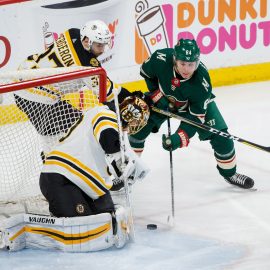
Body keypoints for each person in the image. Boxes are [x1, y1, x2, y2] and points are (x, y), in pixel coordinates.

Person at [0, 96, 150, 252]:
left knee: (105, 220)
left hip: (88, 185)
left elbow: (106, 161)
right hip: (61, 177)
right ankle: (20, 229)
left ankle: (61, 211)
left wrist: (120, 176)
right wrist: (125, 159)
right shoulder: (104, 114)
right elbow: (109, 141)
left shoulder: (112, 124)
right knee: (80, 231)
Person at [129, 38, 254, 189]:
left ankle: (230, 174)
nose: (186, 69)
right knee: (137, 129)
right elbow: (146, 73)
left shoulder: (202, 82)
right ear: (175, 59)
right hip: (162, 100)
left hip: (192, 108)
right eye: (182, 63)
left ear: (197, 62)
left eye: (191, 64)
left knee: (223, 138)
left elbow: (195, 118)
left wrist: (178, 138)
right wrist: (157, 95)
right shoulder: (160, 58)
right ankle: (129, 171)